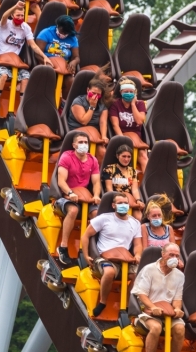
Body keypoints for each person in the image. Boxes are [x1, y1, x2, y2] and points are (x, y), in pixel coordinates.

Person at [81, 191, 143, 317]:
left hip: (125, 259)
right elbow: (86, 235)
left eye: (125, 203)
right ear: (114, 205)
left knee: (140, 275)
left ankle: (127, 304)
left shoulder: (135, 223)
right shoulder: (104, 218)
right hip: (105, 258)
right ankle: (103, 302)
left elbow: (137, 244)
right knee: (109, 272)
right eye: (120, 203)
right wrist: (86, 255)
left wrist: (137, 255)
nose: (123, 205)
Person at [131, 243, 185, 352]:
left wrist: (177, 309)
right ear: (163, 254)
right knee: (156, 327)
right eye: (171, 255)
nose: (174, 258)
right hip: (148, 311)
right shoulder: (149, 269)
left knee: (180, 329)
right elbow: (141, 294)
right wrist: (153, 307)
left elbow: (177, 299)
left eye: (177, 256)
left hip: (168, 312)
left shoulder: (179, 275)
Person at [0, 0, 53, 117]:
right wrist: (15, 6)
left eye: (22, 16)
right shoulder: (5, 24)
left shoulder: (25, 28)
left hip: (15, 63)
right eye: (17, 15)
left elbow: (33, 45)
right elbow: (4, 16)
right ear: (12, 15)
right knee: (4, 75)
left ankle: (21, 109)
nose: (20, 18)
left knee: (26, 77)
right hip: (1, 61)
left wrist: (44, 57)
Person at [55, 131, 101, 268]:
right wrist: (70, 192)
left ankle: (94, 249)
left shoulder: (93, 160)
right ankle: (63, 247)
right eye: (80, 142)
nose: (84, 145)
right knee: (73, 210)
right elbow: (61, 181)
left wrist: (96, 195)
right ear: (74, 145)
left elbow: (96, 182)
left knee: (97, 215)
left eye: (86, 142)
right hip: (67, 195)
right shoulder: (66, 157)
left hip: (85, 196)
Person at [109, 79, 148, 174]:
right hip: (121, 136)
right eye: (126, 91)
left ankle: (147, 181)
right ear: (121, 92)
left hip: (137, 139)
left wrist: (133, 105)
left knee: (143, 156)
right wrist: (122, 140)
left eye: (131, 92)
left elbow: (139, 121)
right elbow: (115, 125)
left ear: (135, 93)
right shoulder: (115, 104)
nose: (129, 94)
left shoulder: (140, 104)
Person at [67, 77, 109, 161]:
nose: (95, 96)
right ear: (87, 90)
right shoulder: (78, 101)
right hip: (78, 132)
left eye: (98, 95)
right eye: (93, 93)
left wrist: (104, 136)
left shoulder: (102, 105)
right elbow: (84, 121)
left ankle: (97, 169)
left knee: (102, 152)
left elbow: (103, 122)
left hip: (94, 136)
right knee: (82, 151)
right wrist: (92, 107)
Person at [102, 143, 144, 215]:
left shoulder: (133, 171)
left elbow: (135, 189)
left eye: (129, 157)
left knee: (138, 216)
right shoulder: (109, 169)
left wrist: (138, 200)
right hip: (115, 200)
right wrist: (117, 200)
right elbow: (109, 189)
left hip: (129, 200)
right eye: (124, 156)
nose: (126, 159)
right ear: (117, 156)